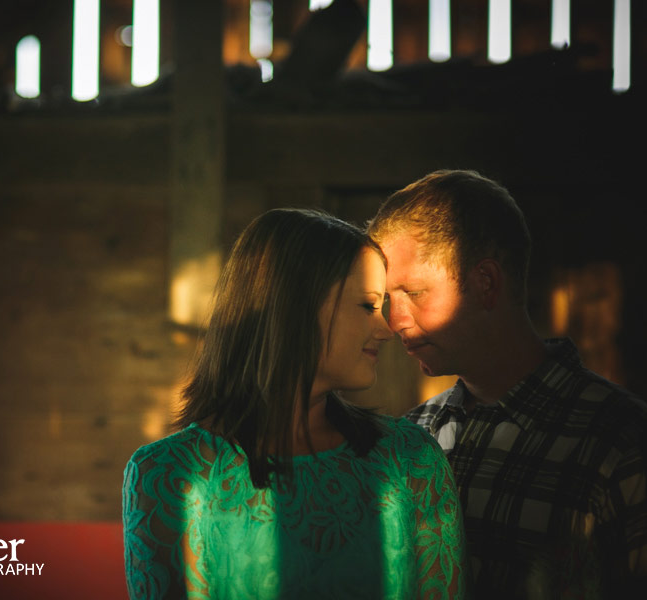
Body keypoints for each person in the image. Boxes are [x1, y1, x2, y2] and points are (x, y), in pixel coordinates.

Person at [122, 208, 466, 599]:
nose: (386, 330)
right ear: (296, 307)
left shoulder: (411, 458)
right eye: (369, 305)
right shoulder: (166, 474)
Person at [367, 169, 647, 597]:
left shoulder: (619, 442)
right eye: (389, 298)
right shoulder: (413, 434)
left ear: (486, 283)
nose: (395, 319)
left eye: (415, 293)